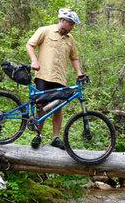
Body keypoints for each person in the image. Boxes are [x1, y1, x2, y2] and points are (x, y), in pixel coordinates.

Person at [25, 8, 84, 149]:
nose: (72, 27)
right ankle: (37, 135)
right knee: (41, 105)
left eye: (73, 25)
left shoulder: (71, 39)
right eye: (71, 23)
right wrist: (34, 60)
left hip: (59, 78)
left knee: (58, 107)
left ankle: (55, 138)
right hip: (43, 75)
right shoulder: (45, 30)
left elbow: (74, 58)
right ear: (62, 21)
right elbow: (29, 44)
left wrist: (79, 73)